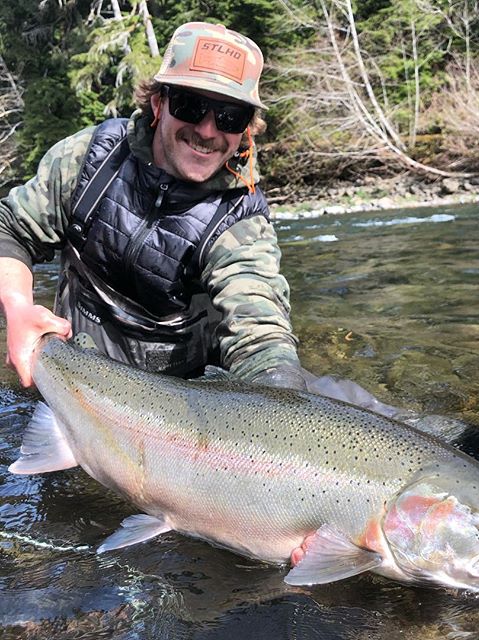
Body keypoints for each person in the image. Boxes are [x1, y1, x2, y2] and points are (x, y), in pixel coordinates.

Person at [0, 20, 399, 416]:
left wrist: (278, 401)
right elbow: (10, 228)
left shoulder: (240, 220)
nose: (207, 129)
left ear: (246, 130)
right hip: (76, 378)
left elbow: (258, 335)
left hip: (181, 406)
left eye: (230, 116)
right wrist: (18, 309)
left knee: (362, 413)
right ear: (158, 103)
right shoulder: (91, 160)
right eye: (190, 105)